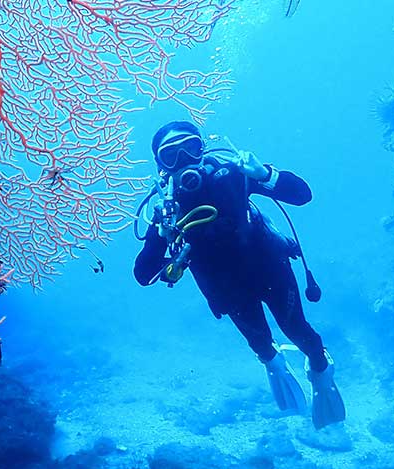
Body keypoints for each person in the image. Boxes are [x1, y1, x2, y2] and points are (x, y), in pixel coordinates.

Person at [132, 120, 345, 429]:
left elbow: (303, 195)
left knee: (299, 332)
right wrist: (164, 237)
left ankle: (321, 372)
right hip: (226, 289)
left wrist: (264, 174)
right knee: (260, 345)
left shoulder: (233, 174)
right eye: (171, 155)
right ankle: (275, 365)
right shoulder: (166, 210)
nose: (184, 161)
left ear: (202, 147)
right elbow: (143, 274)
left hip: (270, 267)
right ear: (161, 166)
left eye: (190, 148)